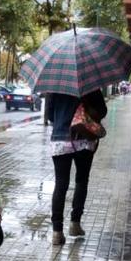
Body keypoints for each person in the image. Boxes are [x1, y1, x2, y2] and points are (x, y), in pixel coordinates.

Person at [45, 90, 107, 245]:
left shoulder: (54, 85)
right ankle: (75, 224)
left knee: (61, 184)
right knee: (81, 180)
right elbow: (102, 111)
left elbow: (49, 115)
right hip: (83, 138)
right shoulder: (90, 84)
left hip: (60, 139)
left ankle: (57, 232)